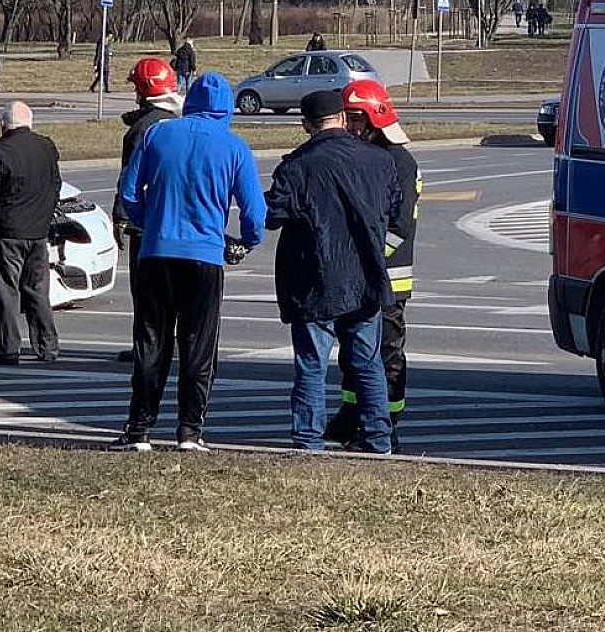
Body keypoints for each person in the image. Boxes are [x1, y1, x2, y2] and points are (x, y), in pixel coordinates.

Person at [113, 71, 266, 452]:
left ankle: (139, 431)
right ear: (227, 108)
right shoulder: (234, 148)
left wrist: (151, 224)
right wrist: (243, 242)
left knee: (151, 342)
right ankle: (189, 432)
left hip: (156, 253)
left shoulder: (156, 134)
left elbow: (129, 193)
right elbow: (254, 215)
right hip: (204, 256)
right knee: (199, 346)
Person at [266, 89, 401, 453]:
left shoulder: (296, 166)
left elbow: (274, 216)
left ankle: (309, 440)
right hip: (365, 277)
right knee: (368, 363)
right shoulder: (380, 161)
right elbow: (394, 207)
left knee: (312, 364)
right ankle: (378, 439)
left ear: (306, 124)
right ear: (342, 118)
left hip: (313, 278)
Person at [325, 79, 419, 446]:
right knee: (354, 354)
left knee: (387, 354)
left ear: (375, 118)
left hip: (389, 280)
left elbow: (397, 227)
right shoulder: (369, 157)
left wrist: (369, 261)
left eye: (356, 119)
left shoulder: (400, 163)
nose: (350, 128)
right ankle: (351, 416)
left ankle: (387, 423)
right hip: (361, 276)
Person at [0, 101, 64, 365]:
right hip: (38, 233)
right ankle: (47, 347)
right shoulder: (47, 147)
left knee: (6, 293)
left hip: (6, 234)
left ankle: (8, 347)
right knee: (38, 291)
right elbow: (55, 186)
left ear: (4, 125)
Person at [113, 57, 183, 365]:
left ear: (144, 89)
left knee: (145, 289)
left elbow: (129, 177)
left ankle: (147, 345)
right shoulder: (180, 122)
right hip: (177, 217)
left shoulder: (141, 130)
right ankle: (172, 341)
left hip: (146, 221)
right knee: (172, 289)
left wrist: (121, 215)